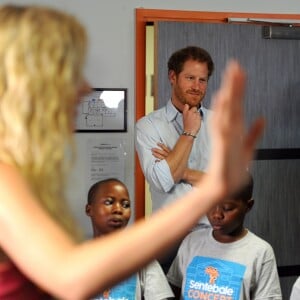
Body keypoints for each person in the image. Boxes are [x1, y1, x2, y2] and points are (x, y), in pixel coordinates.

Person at [0, 4, 264, 299]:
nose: (86, 88)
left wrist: (194, 178)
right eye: (71, 72)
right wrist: (208, 188)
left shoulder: (19, 173)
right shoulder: (3, 176)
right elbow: (71, 277)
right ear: (28, 82)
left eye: (202, 79)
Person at [135, 46, 216, 272]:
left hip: (213, 236)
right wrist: (188, 133)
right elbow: (162, 181)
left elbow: (234, 185)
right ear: (172, 77)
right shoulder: (148, 126)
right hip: (167, 238)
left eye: (202, 80)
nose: (197, 86)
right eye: (190, 78)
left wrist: (181, 169)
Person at [167, 173, 282, 299]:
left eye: (227, 208)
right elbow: (173, 290)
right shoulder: (191, 242)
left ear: (248, 206)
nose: (216, 215)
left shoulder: (260, 252)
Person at [85, 178, 174, 299]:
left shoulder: (142, 259)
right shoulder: (77, 257)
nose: (118, 209)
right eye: (109, 202)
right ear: (89, 210)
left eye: (125, 205)